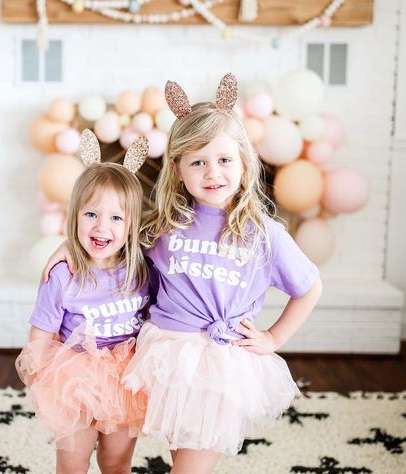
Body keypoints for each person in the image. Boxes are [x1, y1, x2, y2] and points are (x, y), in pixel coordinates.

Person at [43, 74, 323, 474]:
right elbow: (109, 233)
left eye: (224, 160)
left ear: (244, 162)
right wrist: (66, 246)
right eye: (198, 162)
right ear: (177, 170)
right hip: (166, 356)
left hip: (216, 363)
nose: (213, 173)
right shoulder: (165, 225)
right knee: (173, 456)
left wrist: (274, 337)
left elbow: (309, 288)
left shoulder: (263, 234)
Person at [16, 130, 149, 474]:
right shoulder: (61, 276)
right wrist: (46, 387)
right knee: (73, 463)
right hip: (73, 382)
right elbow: (40, 339)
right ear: (74, 215)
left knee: (117, 462)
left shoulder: (143, 271)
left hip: (124, 383)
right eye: (91, 214)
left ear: (132, 224)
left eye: (116, 218)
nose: (102, 226)